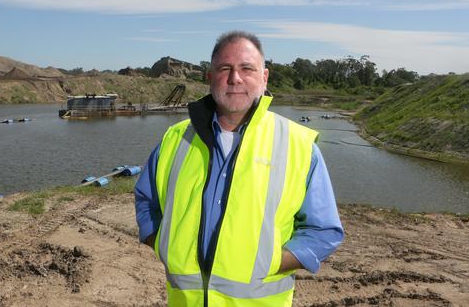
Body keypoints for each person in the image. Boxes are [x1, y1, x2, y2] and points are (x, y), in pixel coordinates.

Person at [134, 31, 343, 306]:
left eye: (247, 68)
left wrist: (267, 261)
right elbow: (146, 200)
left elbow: (323, 231)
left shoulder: (298, 145)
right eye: (225, 69)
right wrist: (165, 246)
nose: (235, 78)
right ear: (209, 78)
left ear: (264, 77)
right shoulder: (175, 139)